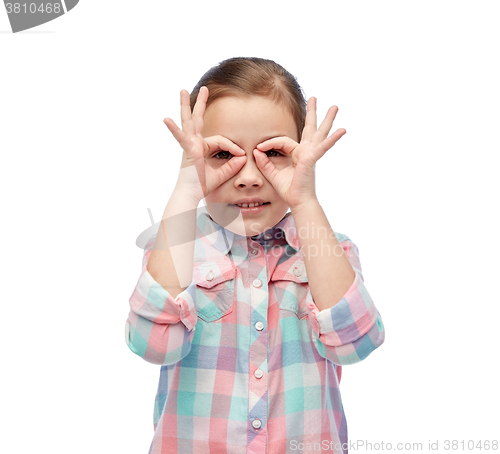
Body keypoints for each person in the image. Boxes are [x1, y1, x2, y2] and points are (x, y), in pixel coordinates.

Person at [125, 57, 385, 454]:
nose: (248, 177)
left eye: (274, 153)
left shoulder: (329, 248)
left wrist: (305, 200)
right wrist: (185, 191)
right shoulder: (176, 247)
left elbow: (356, 343)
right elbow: (152, 344)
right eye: (222, 155)